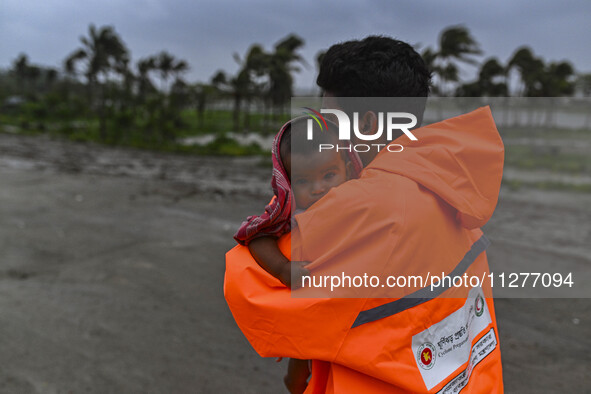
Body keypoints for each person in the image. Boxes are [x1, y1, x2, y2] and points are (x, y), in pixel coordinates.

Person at [225, 35, 504, 393]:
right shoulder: (452, 181)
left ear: (369, 124)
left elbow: (249, 282)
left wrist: (277, 214)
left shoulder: (365, 207)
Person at [234, 117, 362, 392]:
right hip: (313, 306)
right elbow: (257, 237)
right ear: (288, 183)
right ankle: (294, 382)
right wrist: (282, 268)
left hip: (354, 310)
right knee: (301, 356)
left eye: (329, 175)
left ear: (349, 170)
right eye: (304, 180)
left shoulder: (362, 203)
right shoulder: (289, 213)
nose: (318, 189)